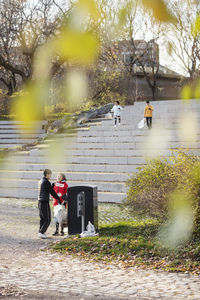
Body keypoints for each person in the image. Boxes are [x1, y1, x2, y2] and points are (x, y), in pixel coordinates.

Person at [38, 169, 61, 239]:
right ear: (47, 174)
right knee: (47, 219)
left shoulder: (41, 180)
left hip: (40, 201)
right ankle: (42, 232)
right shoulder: (46, 182)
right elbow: (52, 192)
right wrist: (58, 198)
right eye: (50, 174)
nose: (50, 176)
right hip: (44, 202)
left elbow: (47, 189)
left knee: (42, 218)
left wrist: (52, 186)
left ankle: (40, 232)